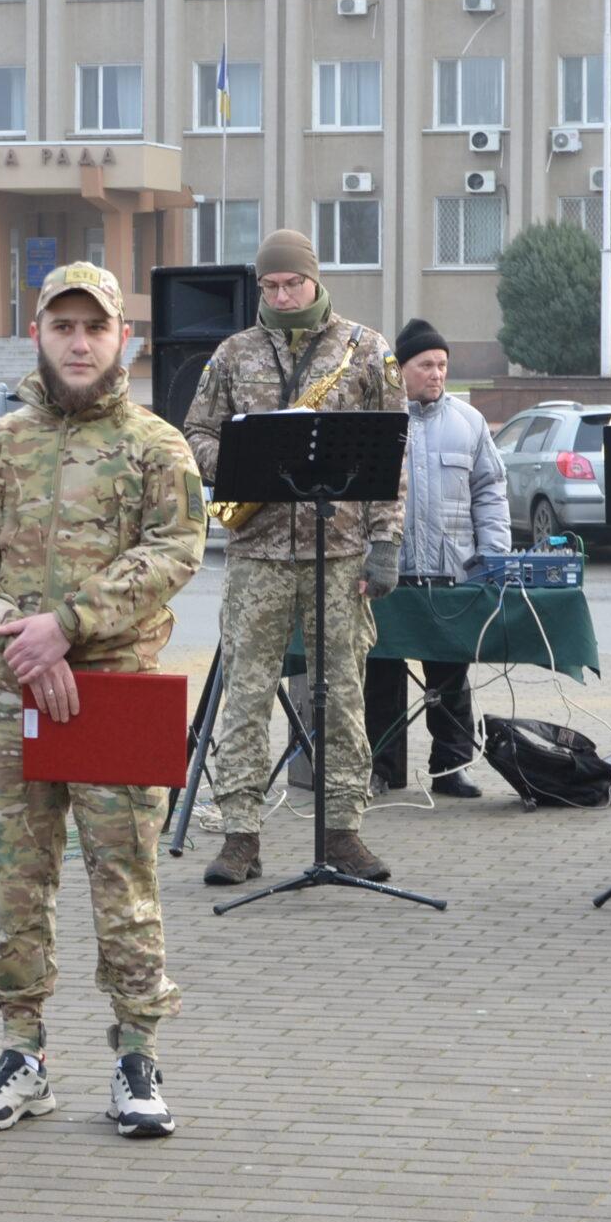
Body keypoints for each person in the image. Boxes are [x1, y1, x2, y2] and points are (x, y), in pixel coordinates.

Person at [0, 264, 206, 1139]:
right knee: (19, 884)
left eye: (96, 327)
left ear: (123, 336)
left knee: (125, 882)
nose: (80, 343)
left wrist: (71, 624)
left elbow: (176, 550)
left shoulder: (156, 446)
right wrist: (21, 633)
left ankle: (137, 1057)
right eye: (63, 327)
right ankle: (22, 1054)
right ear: (38, 334)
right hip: (13, 694)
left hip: (115, 694)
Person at [182, 228, 405, 887]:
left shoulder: (366, 350)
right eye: (271, 286)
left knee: (340, 695)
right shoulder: (232, 353)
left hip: (337, 551)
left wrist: (386, 542)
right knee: (246, 695)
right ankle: (240, 837)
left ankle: (342, 832)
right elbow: (194, 431)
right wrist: (240, 464)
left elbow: (393, 454)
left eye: (292, 284)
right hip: (256, 549)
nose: (281, 295)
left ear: (314, 281)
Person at [364, 318, 505, 799]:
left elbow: (490, 492)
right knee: (381, 676)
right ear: (400, 369)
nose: (437, 373)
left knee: (449, 677)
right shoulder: (377, 422)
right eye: (426, 364)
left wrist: (493, 556)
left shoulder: (469, 423)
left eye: (443, 364)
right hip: (389, 575)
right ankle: (383, 768)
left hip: (451, 573)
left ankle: (451, 768)